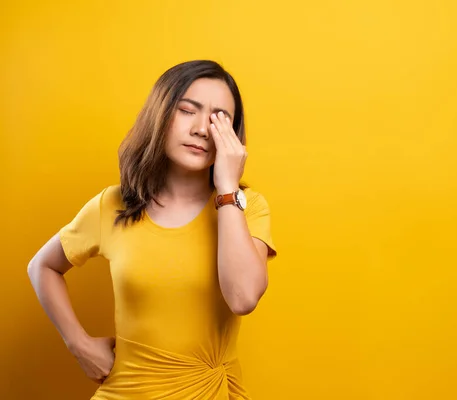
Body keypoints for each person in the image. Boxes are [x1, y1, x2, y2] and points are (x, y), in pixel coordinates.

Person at [27, 60, 277, 399]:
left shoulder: (247, 206)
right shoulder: (112, 204)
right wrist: (79, 344)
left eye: (219, 119)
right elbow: (42, 266)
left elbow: (244, 297)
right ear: (160, 115)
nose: (202, 129)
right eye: (188, 110)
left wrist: (227, 188)